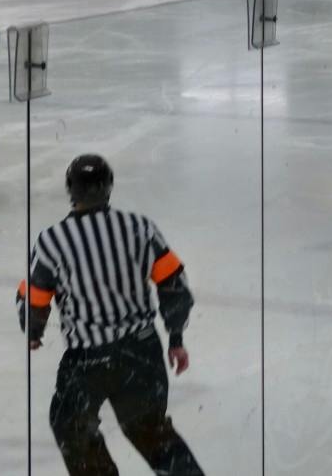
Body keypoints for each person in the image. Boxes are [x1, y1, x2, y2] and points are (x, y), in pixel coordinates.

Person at [17, 154, 205, 476]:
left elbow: (34, 297)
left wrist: (33, 331)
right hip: (141, 354)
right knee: (151, 433)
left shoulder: (52, 241)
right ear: (109, 187)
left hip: (88, 362)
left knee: (71, 426)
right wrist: (175, 337)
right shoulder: (139, 227)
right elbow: (174, 284)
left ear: (71, 190)